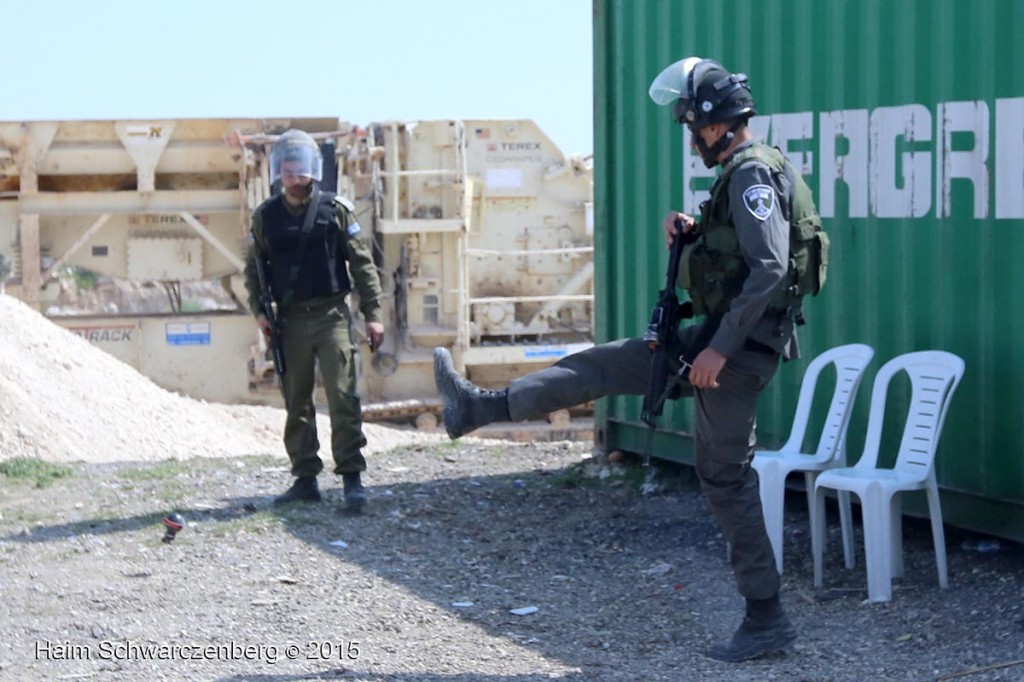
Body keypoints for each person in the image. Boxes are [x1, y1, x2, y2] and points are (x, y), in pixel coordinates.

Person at [434, 57, 826, 662]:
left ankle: (767, 619)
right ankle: (482, 407)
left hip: (736, 354)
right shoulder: (739, 176)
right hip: (716, 341)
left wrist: (718, 351)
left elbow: (771, 267)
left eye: (691, 124)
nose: (689, 135)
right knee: (607, 364)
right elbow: (741, 254)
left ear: (717, 124)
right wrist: (694, 229)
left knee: (725, 480)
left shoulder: (750, 175)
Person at [244, 129, 385, 512]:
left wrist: (373, 315)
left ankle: (352, 478)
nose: (294, 177)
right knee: (297, 402)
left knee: (344, 397)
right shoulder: (265, 217)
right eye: (287, 170)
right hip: (289, 321)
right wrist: (260, 312)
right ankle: (305, 478)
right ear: (278, 172)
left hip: (332, 316)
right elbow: (253, 271)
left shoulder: (335, 209)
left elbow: (362, 265)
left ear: (313, 171)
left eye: (300, 169)